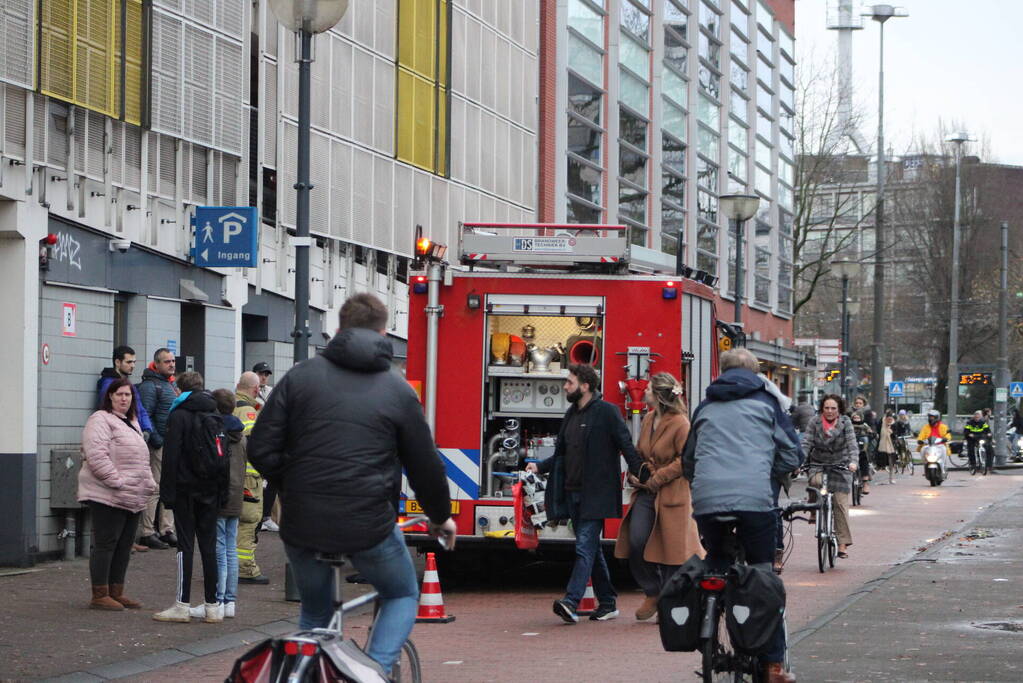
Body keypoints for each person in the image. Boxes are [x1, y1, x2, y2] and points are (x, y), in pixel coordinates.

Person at [248, 293, 455, 676]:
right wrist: (441, 517)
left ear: (338, 330)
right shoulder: (398, 391)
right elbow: (425, 466)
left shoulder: (299, 376)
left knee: (315, 609)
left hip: (304, 521)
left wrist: (294, 484)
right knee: (403, 592)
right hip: (368, 524)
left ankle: (306, 671)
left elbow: (260, 449)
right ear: (382, 331)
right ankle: (371, 671)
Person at [682, 348, 801, 683]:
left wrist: (704, 486)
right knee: (764, 578)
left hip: (707, 501)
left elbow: (688, 461)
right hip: (754, 500)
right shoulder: (767, 405)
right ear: (756, 374)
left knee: (718, 559)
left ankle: (712, 609)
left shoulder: (704, 406)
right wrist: (767, 475)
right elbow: (793, 452)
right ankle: (773, 665)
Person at [525, 363, 642, 625]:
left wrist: (642, 475)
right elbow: (562, 453)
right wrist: (540, 466)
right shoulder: (571, 414)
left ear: (585, 386)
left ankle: (571, 601)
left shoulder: (608, 412)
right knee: (591, 548)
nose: (565, 386)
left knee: (584, 546)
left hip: (596, 494)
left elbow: (626, 446)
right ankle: (608, 602)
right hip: (572, 492)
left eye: (569, 382)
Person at [612, 372, 701, 622]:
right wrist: (637, 473)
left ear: (660, 396)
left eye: (649, 389)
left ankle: (669, 601)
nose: (645, 391)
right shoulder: (649, 419)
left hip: (672, 492)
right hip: (647, 491)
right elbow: (641, 452)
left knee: (672, 550)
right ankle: (653, 590)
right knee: (637, 539)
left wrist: (658, 477)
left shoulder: (681, 423)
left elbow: (685, 460)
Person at [153, 372, 229, 624]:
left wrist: (167, 494)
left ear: (180, 390)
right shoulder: (215, 415)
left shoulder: (179, 415)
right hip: (212, 490)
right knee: (209, 546)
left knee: (185, 546)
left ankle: (182, 604)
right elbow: (224, 457)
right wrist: (223, 492)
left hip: (186, 489)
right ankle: (212, 606)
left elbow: (171, 457)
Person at [79, 379, 158, 610]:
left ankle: (116, 591)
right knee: (106, 543)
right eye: (119, 394)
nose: (124, 398)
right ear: (110, 397)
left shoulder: (131, 422)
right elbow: (96, 455)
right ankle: (99, 594)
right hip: (107, 493)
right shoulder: (100, 419)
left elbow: (141, 459)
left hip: (133, 495)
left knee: (124, 545)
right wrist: (116, 481)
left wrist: (148, 483)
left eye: (128, 394)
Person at [188, 389, 246, 620]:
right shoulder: (241, 436)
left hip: (220, 495)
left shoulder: (216, 432)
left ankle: (218, 599)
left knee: (219, 549)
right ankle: (230, 601)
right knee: (231, 548)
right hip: (236, 496)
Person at [802, 394, 857, 559]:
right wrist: (799, 461)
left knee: (840, 503)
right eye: (827, 408)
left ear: (839, 409)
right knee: (814, 481)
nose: (830, 411)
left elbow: (852, 445)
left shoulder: (845, 422)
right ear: (822, 408)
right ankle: (813, 508)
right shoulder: (814, 422)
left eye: (833, 408)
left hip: (840, 465)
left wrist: (853, 462)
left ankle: (842, 543)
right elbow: (806, 443)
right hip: (819, 462)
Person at [137, 348, 179, 550]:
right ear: (157, 364)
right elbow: (146, 414)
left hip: (171, 444)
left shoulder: (169, 385)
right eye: (167, 361)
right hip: (160, 444)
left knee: (168, 487)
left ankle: (166, 529)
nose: (171, 364)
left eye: (172, 361)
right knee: (154, 487)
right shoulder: (151, 386)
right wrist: (157, 440)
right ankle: (147, 532)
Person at [233, 372, 270, 585]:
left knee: (233, 524)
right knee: (249, 522)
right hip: (249, 477)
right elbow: (254, 445)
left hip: (234, 476)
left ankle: (230, 565)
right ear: (256, 390)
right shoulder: (248, 412)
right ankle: (245, 568)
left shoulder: (230, 405)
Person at [850, 411, 875, 494]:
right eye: (854, 418)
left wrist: (871, 434)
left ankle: (865, 483)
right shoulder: (849, 426)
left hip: (862, 448)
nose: (856, 419)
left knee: (864, 460)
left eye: (858, 418)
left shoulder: (865, 426)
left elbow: (872, 434)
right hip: (850, 448)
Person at [963, 410, 993, 475]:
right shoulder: (969, 423)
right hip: (972, 439)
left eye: (978, 417)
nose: (977, 418)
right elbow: (966, 431)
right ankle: (973, 464)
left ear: (980, 417)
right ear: (974, 417)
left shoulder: (983, 423)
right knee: (971, 450)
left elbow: (988, 430)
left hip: (980, 438)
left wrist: (989, 434)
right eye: (976, 416)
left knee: (989, 448)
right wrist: (969, 434)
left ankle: (988, 465)